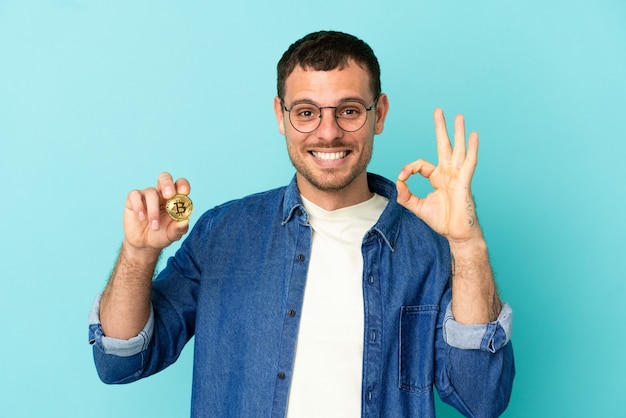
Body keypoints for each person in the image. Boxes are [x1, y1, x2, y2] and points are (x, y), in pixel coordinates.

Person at [89, 30, 515, 417]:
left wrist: (466, 243)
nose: (328, 133)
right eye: (307, 112)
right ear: (281, 115)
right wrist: (139, 254)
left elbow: (481, 399)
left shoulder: (430, 248)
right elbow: (120, 362)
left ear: (379, 113)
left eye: (349, 110)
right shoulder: (222, 234)